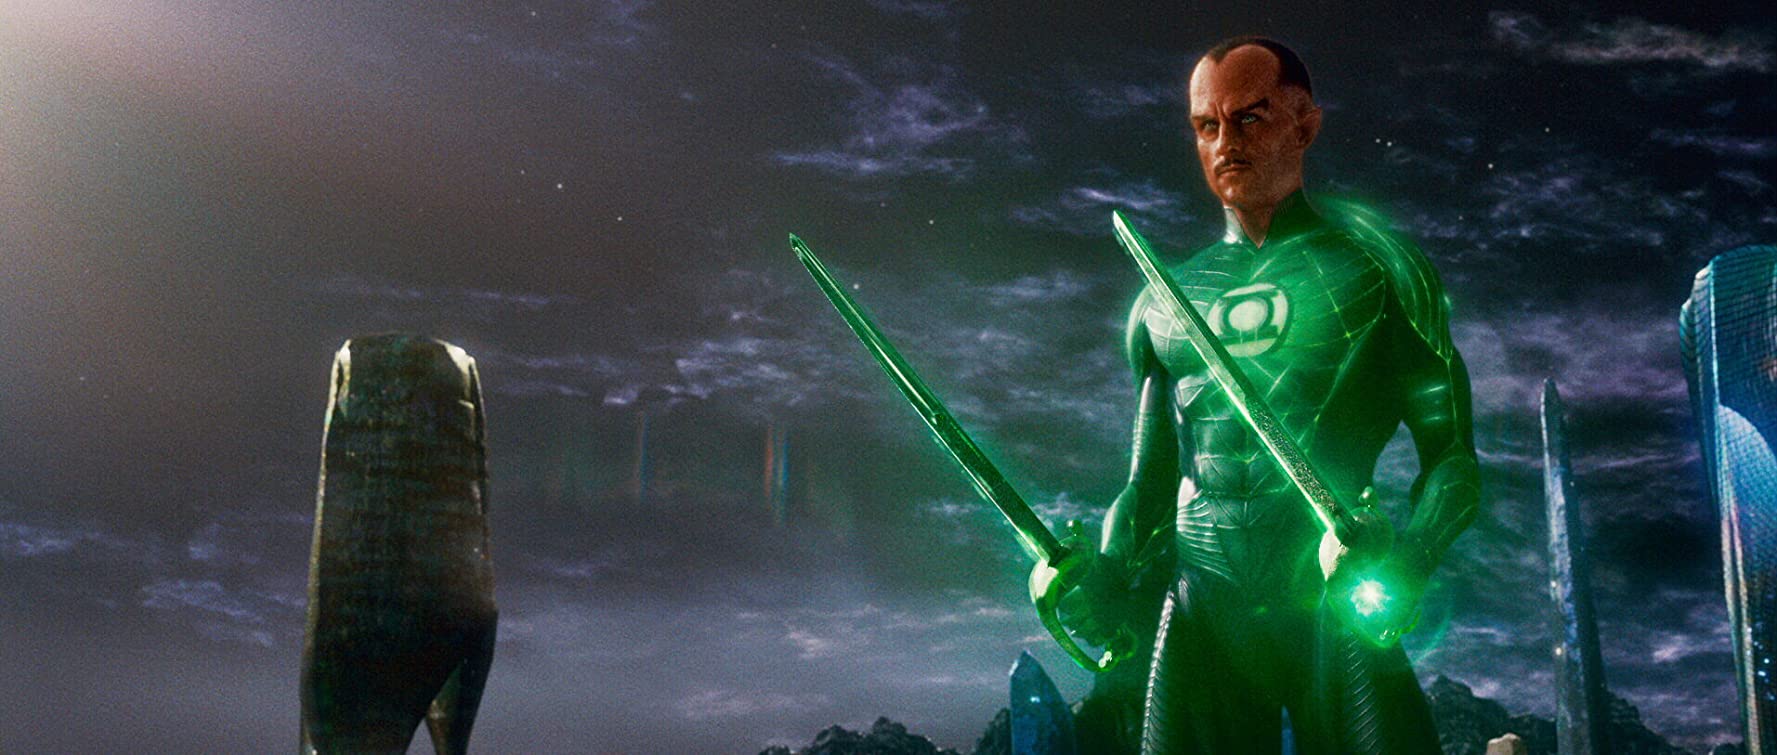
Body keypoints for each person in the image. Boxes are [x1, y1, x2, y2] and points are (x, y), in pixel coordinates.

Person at [1044, 36, 1481, 754]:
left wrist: (1413, 557)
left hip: (1333, 593)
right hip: (1203, 602)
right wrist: (1109, 570)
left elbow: (1452, 457)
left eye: (1249, 117)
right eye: (1206, 126)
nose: (1226, 143)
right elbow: (1147, 480)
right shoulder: (1162, 302)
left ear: (1304, 125)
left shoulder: (1378, 273)